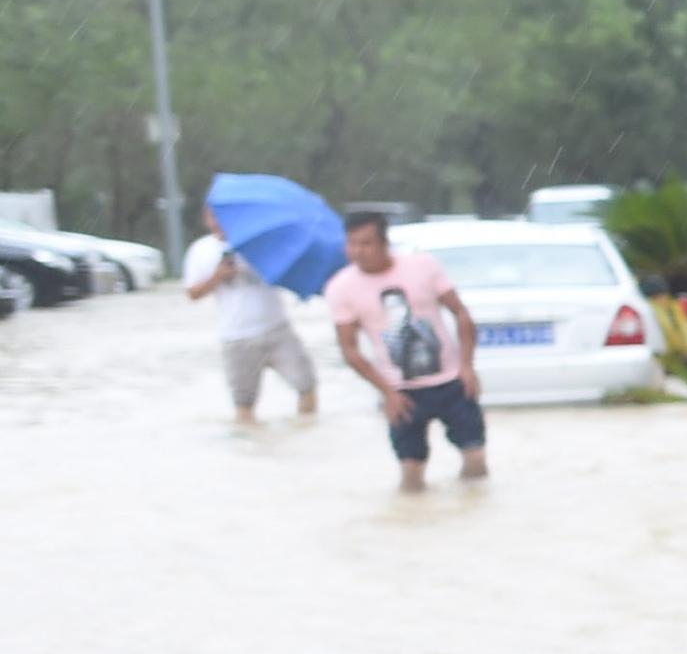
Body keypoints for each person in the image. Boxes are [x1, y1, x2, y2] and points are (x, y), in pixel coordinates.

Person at [320, 210, 488, 492]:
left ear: (385, 243)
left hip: (451, 381)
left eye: (366, 243)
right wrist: (387, 393)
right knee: (411, 473)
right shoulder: (341, 288)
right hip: (401, 391)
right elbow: (349, 350)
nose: (358, 251)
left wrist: (467, 366)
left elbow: (460, 313)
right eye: (352, 244)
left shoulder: (422, 266)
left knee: (475, 461)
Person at [182, 226, 318, 424]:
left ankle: (307, 436)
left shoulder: (263, 240)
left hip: (277, 328)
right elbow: (192, 294)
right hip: (236, 336)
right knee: (243, 404)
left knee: (307, 386)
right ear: (207, 218)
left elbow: (288, 271)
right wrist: (217, 277)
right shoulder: (201, 249)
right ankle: (251, 446)